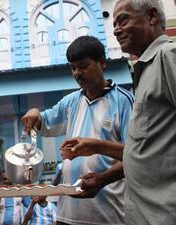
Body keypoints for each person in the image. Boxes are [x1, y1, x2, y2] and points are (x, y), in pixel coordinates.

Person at [79, 0, 176, 224]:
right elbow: (147, 152)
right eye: (114, 23)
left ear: (152, 17)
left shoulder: (172, 56)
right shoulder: (146, 71)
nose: (115, 29)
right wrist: (102, 178)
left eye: (123, 20)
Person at [22, 35, 133, 225]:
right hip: (67, 215)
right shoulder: (71, 101)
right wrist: (34, 112)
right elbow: (44, 121)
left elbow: (135, 155)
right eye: (73, 68)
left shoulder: (124, 101)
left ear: (102, 63)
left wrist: (103, 179)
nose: (77, 73)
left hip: (108, 216)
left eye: (83, 66)